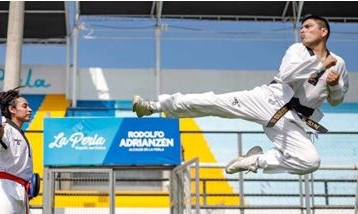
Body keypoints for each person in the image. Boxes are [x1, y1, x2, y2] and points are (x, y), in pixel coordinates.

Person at [132, 15, 348, 175]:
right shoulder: (296, 50)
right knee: (214, 102)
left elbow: (336, 100)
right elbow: (288, 74)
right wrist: (319, 64)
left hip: (292, 119)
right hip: (268, 99)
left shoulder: (338, 64)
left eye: (308, 27)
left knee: (310, 161)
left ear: (323, 32)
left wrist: (335, 84)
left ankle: (256, 160)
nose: (302, 30)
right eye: (301, 27)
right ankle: (153, 106)